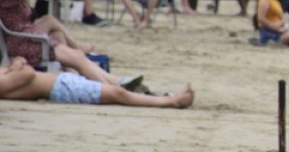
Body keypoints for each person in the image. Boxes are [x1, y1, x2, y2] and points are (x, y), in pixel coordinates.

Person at [0, 0, 133, 88]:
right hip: (24, 45)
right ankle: (112, 87)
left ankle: (113, 81)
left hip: (28, 39)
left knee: (61, 37)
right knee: (78, 57)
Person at [0, 57, 193, 109]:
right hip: (61, 89)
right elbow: (26, 74)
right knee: (119, 94)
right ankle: (171, 101)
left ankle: (167, 99)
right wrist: (18, 65)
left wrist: (16, 64)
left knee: (117, 92)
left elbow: (21, 68)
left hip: (61, 83)